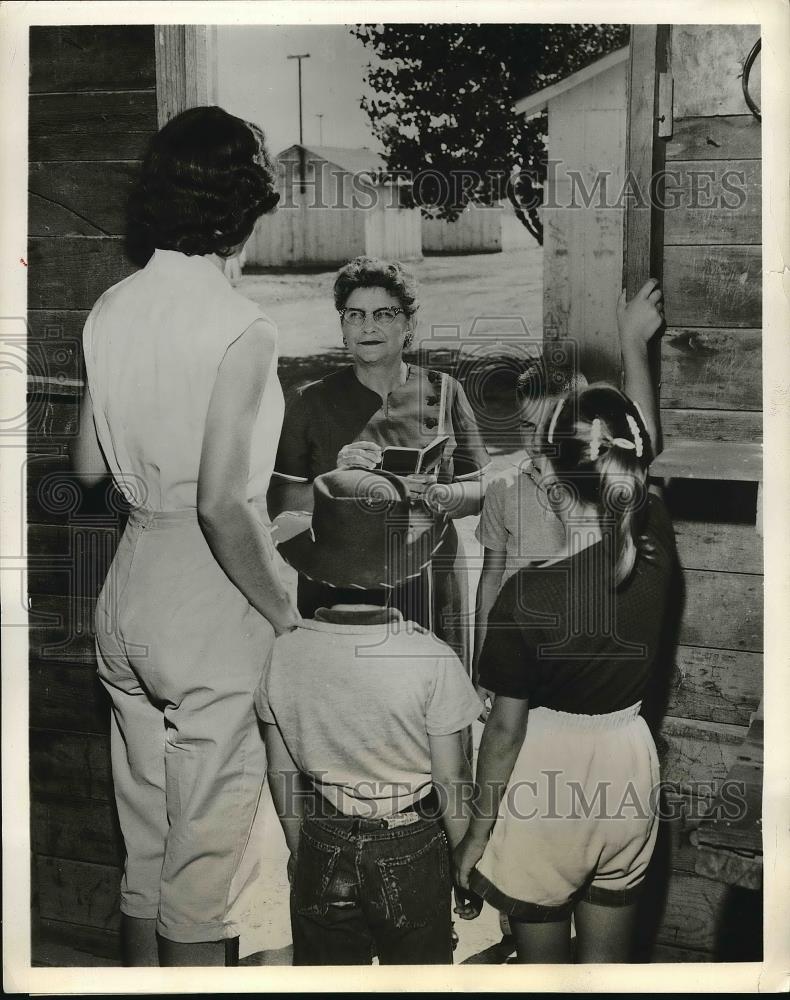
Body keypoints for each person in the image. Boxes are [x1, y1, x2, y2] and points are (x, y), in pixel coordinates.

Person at [72, 106, 300, 967]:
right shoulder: (243, 324)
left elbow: (89, 465)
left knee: (146, 845)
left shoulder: (110, 307)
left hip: (128, 585)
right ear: (245, 203)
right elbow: (219, 503)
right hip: (208, 598)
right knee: (205, 862)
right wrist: (284, 609)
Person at [454, 280, 675, 963]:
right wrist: (633, 341)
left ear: (546, 462)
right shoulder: (655, 542)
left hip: (545, 777)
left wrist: (474, 838)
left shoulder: (530, 597)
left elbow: (503, 737)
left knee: (543, 975)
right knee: (606, 972)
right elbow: (643, 440)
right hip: (631, 762)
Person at [257, 469, 483, 964]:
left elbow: (281, 773)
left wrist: (302, 851)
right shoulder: (431, 659)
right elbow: (451, 781)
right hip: (412, 845)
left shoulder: (285, 654)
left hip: (322, 836)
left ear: (315, 566)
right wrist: (466, 865)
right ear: (401, 568)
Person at [268, 255, 490, 669]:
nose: (368, 326)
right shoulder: (308, 400)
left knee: (432, 710)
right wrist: (333, 480)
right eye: (355, 315)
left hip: (429, 577)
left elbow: (481, 490)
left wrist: (444, 494)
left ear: (409, 325)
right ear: (343, 327)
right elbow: (280, 505)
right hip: (338, 586)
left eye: (384, 314)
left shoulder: (444, 391)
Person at [472, 364, 588, 715]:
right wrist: (482, 663)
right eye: (527, 425)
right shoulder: (502, 488)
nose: (537, 441)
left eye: (552, 427)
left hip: (578, 659)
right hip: (517, 653)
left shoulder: (598, 490)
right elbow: (491, 576)